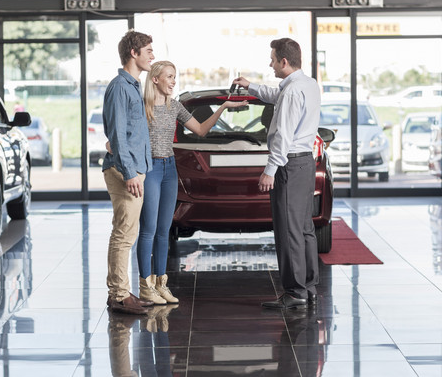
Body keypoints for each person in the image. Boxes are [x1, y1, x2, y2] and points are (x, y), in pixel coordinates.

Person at [133, 60, 248, 305]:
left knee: (164, 231)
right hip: (150, 170)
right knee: (148, 230)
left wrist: (223, 108)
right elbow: (127, 139)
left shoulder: (175, 107)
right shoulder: (142, 107)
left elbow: (201, 130)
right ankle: (146, 286)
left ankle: (161, 284)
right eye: (169, 77)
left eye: (175, 77)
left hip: (169, 169)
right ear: (155, 80)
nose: (174, 81)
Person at [232, 38, 321, 310]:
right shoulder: (307, 84)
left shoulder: (293, 92)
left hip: (289, 166)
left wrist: (270, 170)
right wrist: (251, 86)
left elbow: (283, 134)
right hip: (305, 163)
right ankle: (308, 286)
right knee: (304, 228)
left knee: (288, 230)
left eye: (272, 59)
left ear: (284, 61)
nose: (270, 64)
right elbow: (276, 95)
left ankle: (294, 293)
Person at [103, 30, 155, 315]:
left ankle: (122, 290)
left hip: (135, 168)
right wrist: (130, 173)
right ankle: (119, 295)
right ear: (133, 53)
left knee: (128, 232)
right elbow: (119, 136)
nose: (152, 55)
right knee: (123, 234)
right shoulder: (120, 87)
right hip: (126, 171)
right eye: (148, 50)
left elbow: (121, 132)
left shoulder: (133, 86)